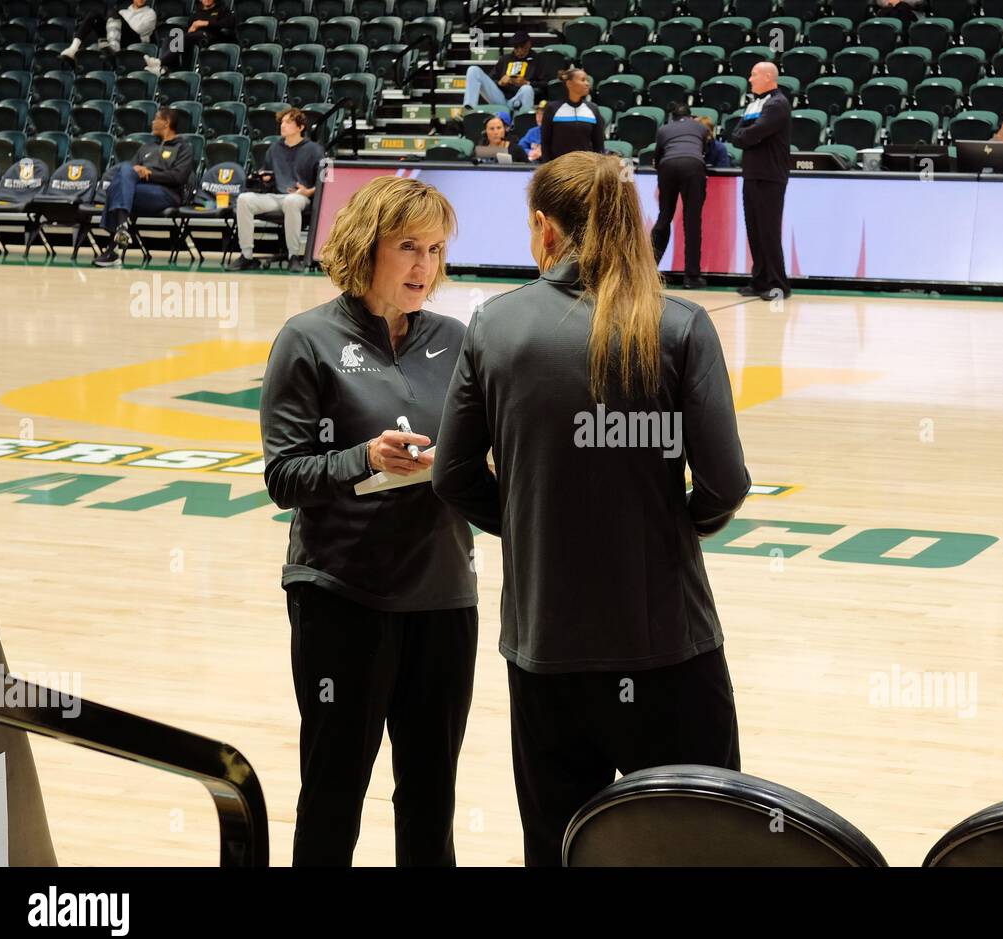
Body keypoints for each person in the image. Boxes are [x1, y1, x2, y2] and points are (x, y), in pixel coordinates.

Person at [432, 151, 750, 867]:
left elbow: (452, 476)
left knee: (560, 849)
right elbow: (726, 484)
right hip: (668, 644)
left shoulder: (494, 326)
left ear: (544, 229)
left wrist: (524, 521)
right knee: (701, 847)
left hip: (547, 649)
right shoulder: (681, 326)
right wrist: (677, 525)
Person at [259, 176, 479, 867]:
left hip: (444, 597)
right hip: (342, 596)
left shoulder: (457, 340)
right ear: (366, 247)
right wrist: (363, 458)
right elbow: (284, 476)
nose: (424, 266)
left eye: (435, 250)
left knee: (431, 797)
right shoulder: (308, 340)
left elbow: (486, 457)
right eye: (408, 247)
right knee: (333, 794)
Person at [92, 106, 193, 267]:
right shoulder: (146, 148)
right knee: (124, 170)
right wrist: (137, 172)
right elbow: (127, 175)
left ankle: (114, 245)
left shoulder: (183, 148)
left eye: (156, 119)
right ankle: (121, 229)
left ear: (166, 122)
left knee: (116, 188)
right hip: (139, 192)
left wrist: (150, 173)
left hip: (167, 194)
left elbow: (178, 178)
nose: (152, 122)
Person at [229, 108, 325, 273]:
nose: (283, 125)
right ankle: (246, 256)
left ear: (300, 127)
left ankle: (293, 256)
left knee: (291, 201)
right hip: (275, 196)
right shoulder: (274, 148)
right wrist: (265, 179)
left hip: (300, 197)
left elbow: (325, 181)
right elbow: (269, 178)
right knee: (244, 199)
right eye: (282, 122)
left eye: (288, 122)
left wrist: (309, 192)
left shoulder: (314, 150)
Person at [729, 61, 792, 301]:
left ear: (768, 76)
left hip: (770, 175)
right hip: (752, 174)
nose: (750, 79)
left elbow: (755, 133)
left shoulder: (777, 103)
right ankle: (760, 280)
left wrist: (746, 136)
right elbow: (737, 135)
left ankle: (778, 284)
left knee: (768, 231)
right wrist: (746, 136)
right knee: (754, 230)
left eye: (754, 74)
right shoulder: (754, 104)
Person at [651, 104, 711, 289]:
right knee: (692, 222)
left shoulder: (663, 129)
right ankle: (691, 277)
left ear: (672, 117)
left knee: (664, 218)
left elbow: (657, 156)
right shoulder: (700, 126)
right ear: (690, 116)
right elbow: (706, 149)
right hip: (693, 165)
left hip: (668, 166)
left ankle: (649, 273)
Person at [144, 0, 236, 76]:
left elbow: (229, 24)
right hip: (193, 37)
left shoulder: (222, 9)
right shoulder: (196, 12)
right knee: (172, 35)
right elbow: (189, 28)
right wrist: (191, 29)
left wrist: (204, 23)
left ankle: (160, 62)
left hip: (211, 37)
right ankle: (164, 69)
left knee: (186, 37)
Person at [463, 30, 542, 113]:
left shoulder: (538, 60)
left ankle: (524, 119)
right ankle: (470, 108)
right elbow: (491, 80)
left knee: (527, 89)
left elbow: (545, 84)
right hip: (500, 98)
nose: (519, 50)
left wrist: (527, 83)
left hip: (519, 98)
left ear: (528, 44)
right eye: (516, 47)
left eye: (522, 46)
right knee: (473, 70)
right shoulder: (505, 59)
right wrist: (500, 82)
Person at [541, 68, 605, 163]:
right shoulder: (552, 108)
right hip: (559, 168)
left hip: (585, 168)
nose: (587, 84)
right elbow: (545, 142)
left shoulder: (593, 109)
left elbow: (599, 144)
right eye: (583, 80)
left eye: (587, 80)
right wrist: (546, 167)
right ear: (569, 83)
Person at [60, 0, 156, 60]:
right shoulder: (123, 12)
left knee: (113, 15)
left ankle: (114, 50)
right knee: (94, 14)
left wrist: (117, 22)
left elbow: (138, 30)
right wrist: (114, 22)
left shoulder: (150, 13)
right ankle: (73, 49)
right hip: (115, 36)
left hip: (134, 40)